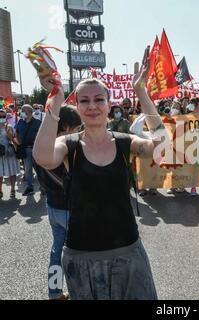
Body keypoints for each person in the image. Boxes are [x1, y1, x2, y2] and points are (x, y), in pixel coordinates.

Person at [33, 49, 160, 300]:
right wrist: (56, 99)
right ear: (77, 106)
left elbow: (162, 147)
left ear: (109, 104)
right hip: (82, 258)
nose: (92, 106)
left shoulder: (126, 142)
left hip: (128, 252)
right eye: (85, 101)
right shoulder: (68, 144)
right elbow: (44, 157)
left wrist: (141, 92)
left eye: (99, 99)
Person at [34, 106, 82, 300]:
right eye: (78, 128)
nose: (80, 132)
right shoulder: (65, 148)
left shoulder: (42, 145)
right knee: (77, 253)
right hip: (71, 209)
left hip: (52, 207)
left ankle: (54, 292)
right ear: (67, 127)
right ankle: (77, 292)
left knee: (56, 251)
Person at [16, 104, 42, 196]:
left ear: (30, 112)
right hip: (25, 150)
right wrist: (18, 143)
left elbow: (43, 135)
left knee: (39, 169)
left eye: (23, 110)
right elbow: (17, 133)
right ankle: (30, 187)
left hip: (36, 149)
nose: (21, 112)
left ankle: (43, 187)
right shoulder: (20, 122)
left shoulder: (38, 122)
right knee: (27, 170)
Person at [0, 109, 19, 200]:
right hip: (0, 154)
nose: (2, 118)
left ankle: (12, 190)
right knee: (0, 173)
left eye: (4, 116)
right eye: (0, 116)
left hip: (9, 153)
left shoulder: (10, 126)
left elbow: (15, 140)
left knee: (12, 172)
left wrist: (9, 134)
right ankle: (0, 191)